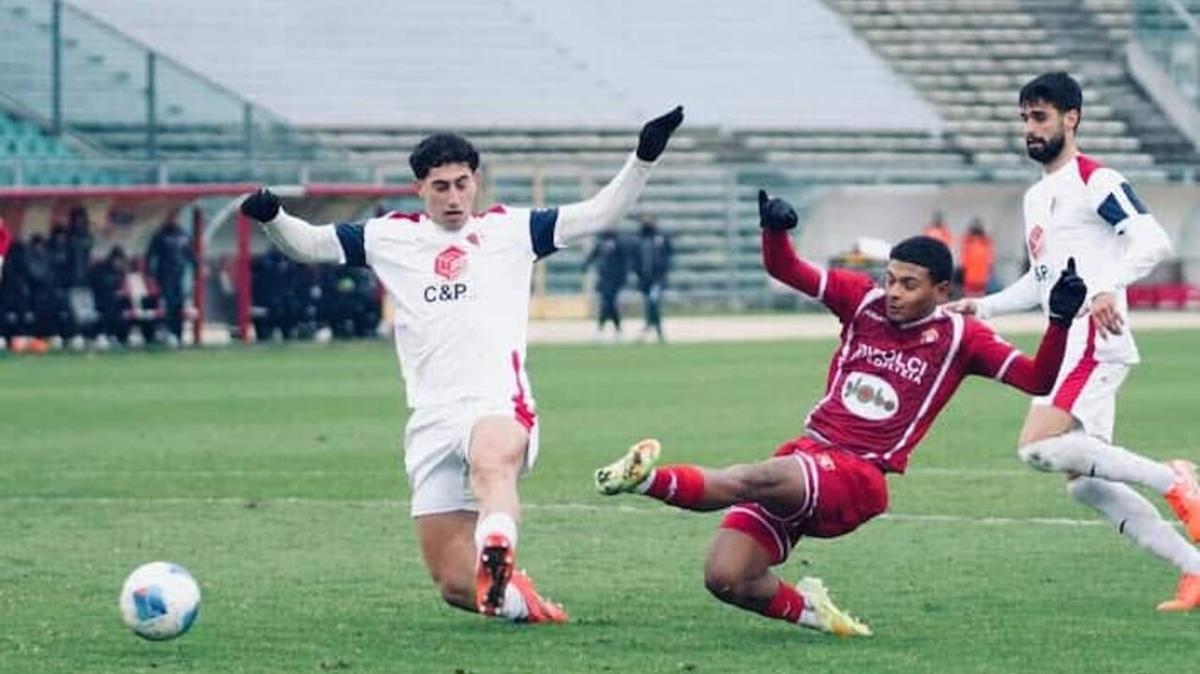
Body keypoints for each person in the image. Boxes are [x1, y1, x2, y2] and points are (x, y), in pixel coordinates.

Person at [239, 106, 685, 624]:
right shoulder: (390, 237)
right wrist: (273, 216)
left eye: (462, 183)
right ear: (419, 189)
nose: (453, 196)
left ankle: (498, 540)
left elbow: (599, 213)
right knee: (454, 585)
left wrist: (645, 155)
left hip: (497, 404)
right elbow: (309, 245)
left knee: (491, 464)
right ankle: (525, 603)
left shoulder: (513, 230)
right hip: (431, 419)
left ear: (476, 183)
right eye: (441, 186)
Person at [594, 189, 1086, 636]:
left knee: (754, 477)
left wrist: (1059, 322)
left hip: (858, 475)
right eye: (890, 279)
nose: (893, 292)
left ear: (941, 292)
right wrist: (775, 231)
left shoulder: (963, 338)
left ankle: (640, 481)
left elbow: (1038, 380)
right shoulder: (863, 301)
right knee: (726, 577)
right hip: (809, 455)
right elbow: (787, 270)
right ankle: (815, 614)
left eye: (909, 285)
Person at [945, 72, 1200, 611]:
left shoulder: (1096, 180)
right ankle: (1195, 570)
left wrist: (1108, 285)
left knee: (1035, 447)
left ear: (1071, 119)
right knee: (1082, 481)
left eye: (1040, 117)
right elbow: (1040, 282)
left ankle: (1173, 477)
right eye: (1025, 120)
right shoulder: (1037, 198)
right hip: (1067, 339)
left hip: (1093, 337)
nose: (1031, 130)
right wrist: (982, 306)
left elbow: (1152, 240)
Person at [145, 215, 195, 346]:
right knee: (168, 306)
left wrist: (198, 267)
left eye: (176, 218)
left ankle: (178, 334)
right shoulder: (160, 235)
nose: (175, 221)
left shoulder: (184, 235)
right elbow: (150, 255)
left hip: (181, 276)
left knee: (180, 306)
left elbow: (191, 255)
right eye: (172, 218)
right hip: (164, 277)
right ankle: (170, 333)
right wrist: (149, 274)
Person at [584, 228, 629, 342]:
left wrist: (622, 278)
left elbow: (624, 262)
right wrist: (586, 265)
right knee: (608, 304)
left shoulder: (619, 243)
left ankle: (602, 329)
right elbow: (593, 256)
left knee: (608, 303)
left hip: (615, 279)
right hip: (604, 279)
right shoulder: (601, 242)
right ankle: (616, 330)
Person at [633, 214, 672, 342]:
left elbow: (669, 253)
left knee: (653, 301)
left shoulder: (661, 238)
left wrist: (664, 270)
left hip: (658, 278)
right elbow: (635, 259)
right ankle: (653, 327)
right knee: (649, 304)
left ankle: (654, 327)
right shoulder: (638, 240)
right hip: (644, 278)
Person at [958, 218, 994, 298]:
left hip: (973, 276)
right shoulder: (984, 242)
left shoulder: (969, 241)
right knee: (978, 296)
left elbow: (963, 259)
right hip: (978, 276)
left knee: (971, 295)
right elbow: (990, 260)